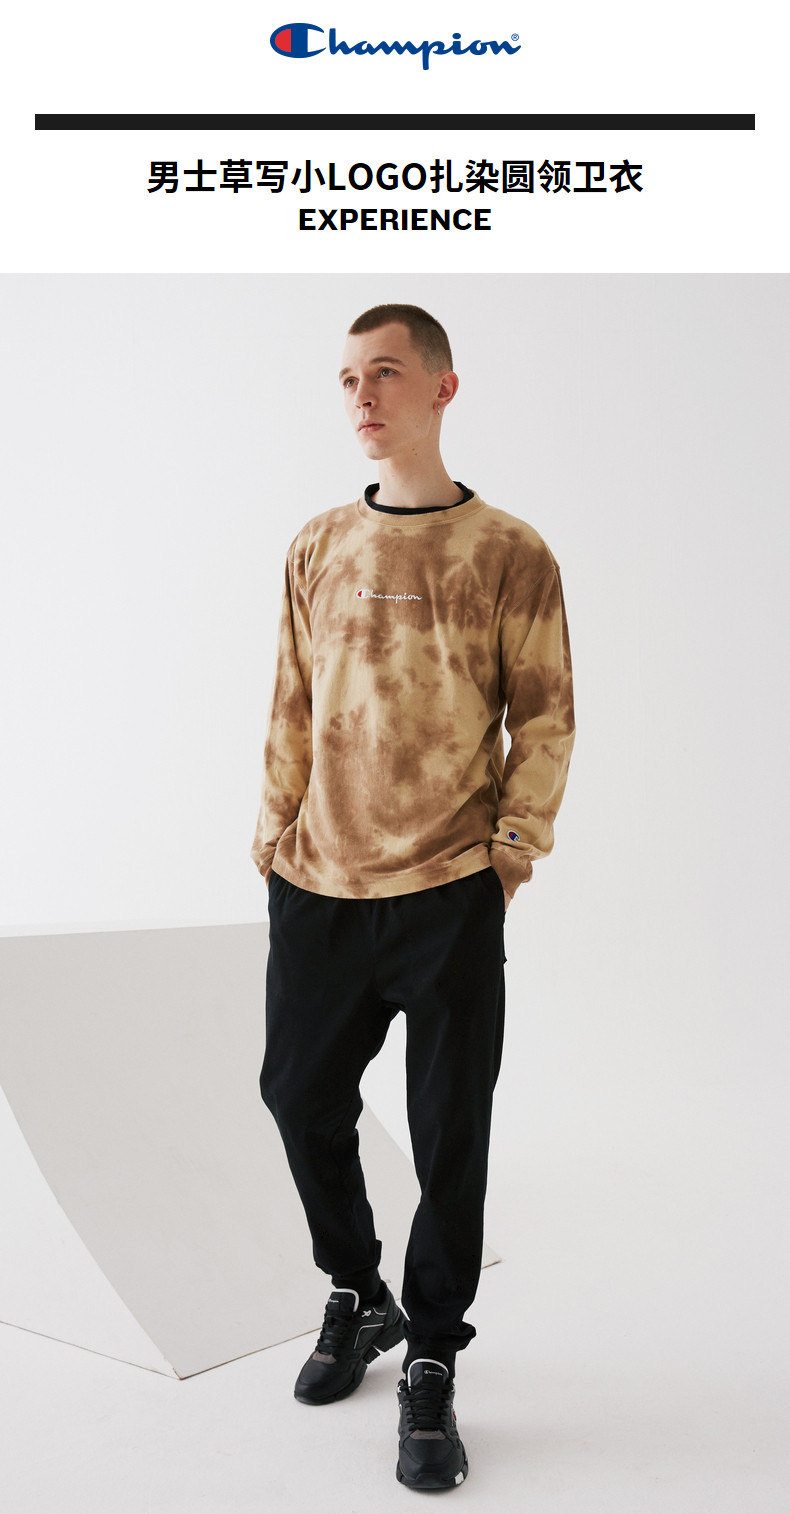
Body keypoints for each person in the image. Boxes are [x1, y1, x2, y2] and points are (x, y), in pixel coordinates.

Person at [250, 302, 575, 1491]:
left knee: (449, 1134)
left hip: (447, 888)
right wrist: (274, 835)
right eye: (347, 378)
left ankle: (431, 1352)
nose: (361, 397)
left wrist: (508, 852)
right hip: (320, 882)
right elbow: (290, 702)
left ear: (442, 387)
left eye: (384, 373)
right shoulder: (318, 543)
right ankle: (358, 1289)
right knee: (297, 1094)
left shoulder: (508, 551)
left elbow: (545, 716)